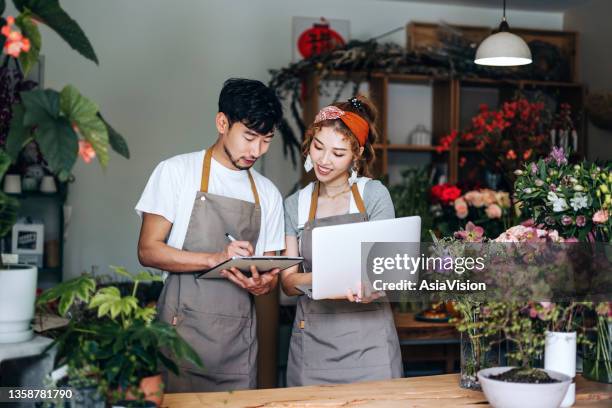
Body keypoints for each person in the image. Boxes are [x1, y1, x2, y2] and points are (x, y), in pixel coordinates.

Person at [135, 78, 285, 392]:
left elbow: (270, 269)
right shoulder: (176, 172)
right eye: (249, 137)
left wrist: (263, 283)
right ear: (222, 123)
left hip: (239, 345)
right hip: (180, 337)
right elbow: (148, 251)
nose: (256, 150)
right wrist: (216, 258)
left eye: (266, 140)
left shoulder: (267, 193)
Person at [281, 96, 402, 386]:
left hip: (371, 347)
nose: (324, 160)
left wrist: (375, 284)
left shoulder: (374, 195)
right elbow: (287, 283)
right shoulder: (295, 204)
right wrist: (336, 280)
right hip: (312, 345)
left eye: (337, 153)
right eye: (318, 147)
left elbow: (389, 271)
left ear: (357, 153)